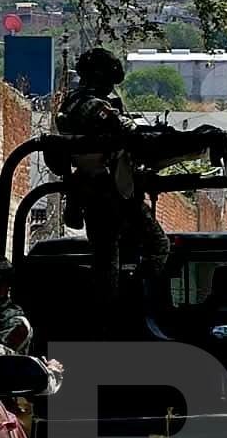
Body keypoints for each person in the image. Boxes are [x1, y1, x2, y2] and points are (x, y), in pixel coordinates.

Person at [54, 47, 171, 304]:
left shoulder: (72, 102)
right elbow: (123, 130)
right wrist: (153, 133)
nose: (110, 86)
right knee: (157, 247)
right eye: (107, 79)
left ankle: (110, 306)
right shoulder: (90, 105)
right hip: (109, 192)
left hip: (96, 190)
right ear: (98, 76)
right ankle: (130, 300)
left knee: (106, 259)